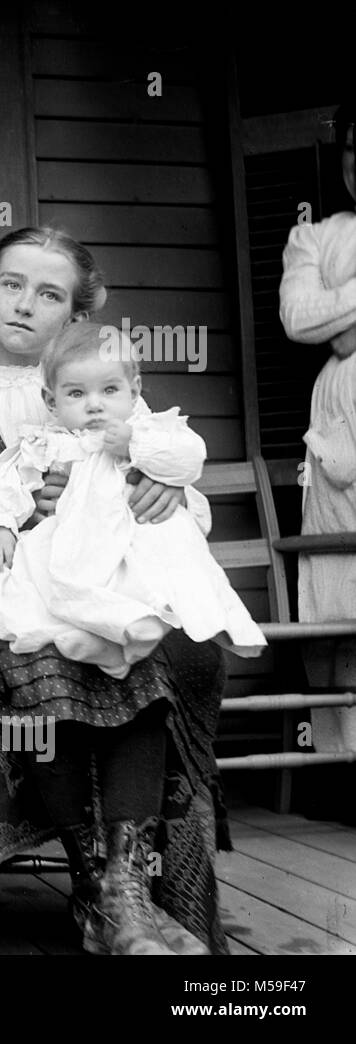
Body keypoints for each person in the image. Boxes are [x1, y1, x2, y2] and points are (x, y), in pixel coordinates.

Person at [0, 226, 227, 955]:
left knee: (182, 657)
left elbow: (190, 502)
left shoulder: (110, 393)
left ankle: (134, 889)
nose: (26, 304)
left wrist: (157, 482)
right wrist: (26, 510)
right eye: (11, 285)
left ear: (76, 314)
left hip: (111, 581)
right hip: (9, 588)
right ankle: (100, 881)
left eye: (50, 294)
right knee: (54, 671)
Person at [0, 321, 265, 678]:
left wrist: (135, 445)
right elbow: (8, 478)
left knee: (171, 566)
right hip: (79, 541)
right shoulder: (52, 443)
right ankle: (116, 640)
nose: (95, 405)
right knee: (46, 580)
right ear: (51, 401)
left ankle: (182, 623)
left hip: (138, 539)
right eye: (77, 394)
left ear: (134, 390)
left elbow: (189, 456)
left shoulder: (148, 431)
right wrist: (1, 525)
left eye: (109, 390)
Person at [279, 102, 356, 754]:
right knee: (338, 590)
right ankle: (343, 763)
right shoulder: (317, 236)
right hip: (341, 419)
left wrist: (346, 317)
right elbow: (301, 318)